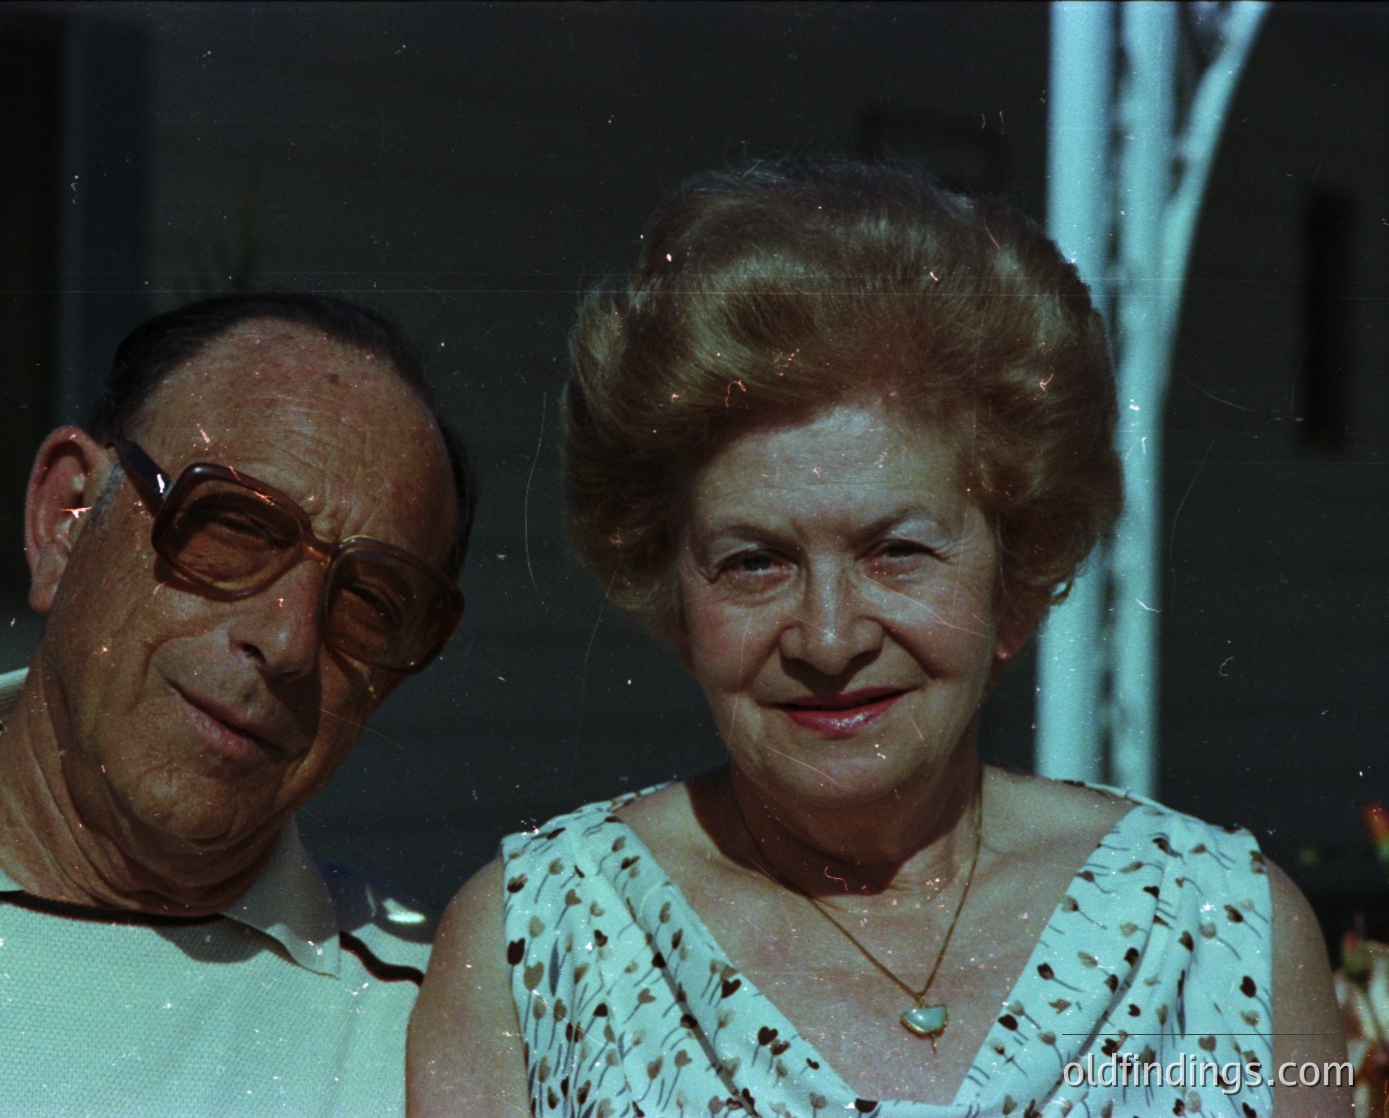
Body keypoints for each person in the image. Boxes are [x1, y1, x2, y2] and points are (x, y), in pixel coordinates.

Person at [409, 160, 1349, 1116]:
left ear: (1012, 576)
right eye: (754, 563)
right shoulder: (540, 946)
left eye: (896, 551)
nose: (826, 637)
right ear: (672, 592)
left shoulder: (1217, 928)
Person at [0, 292, 473, 1115]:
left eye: (371, 604)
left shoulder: (433, 1034)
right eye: (233, 528)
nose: (288, 642)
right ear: (66, 520)